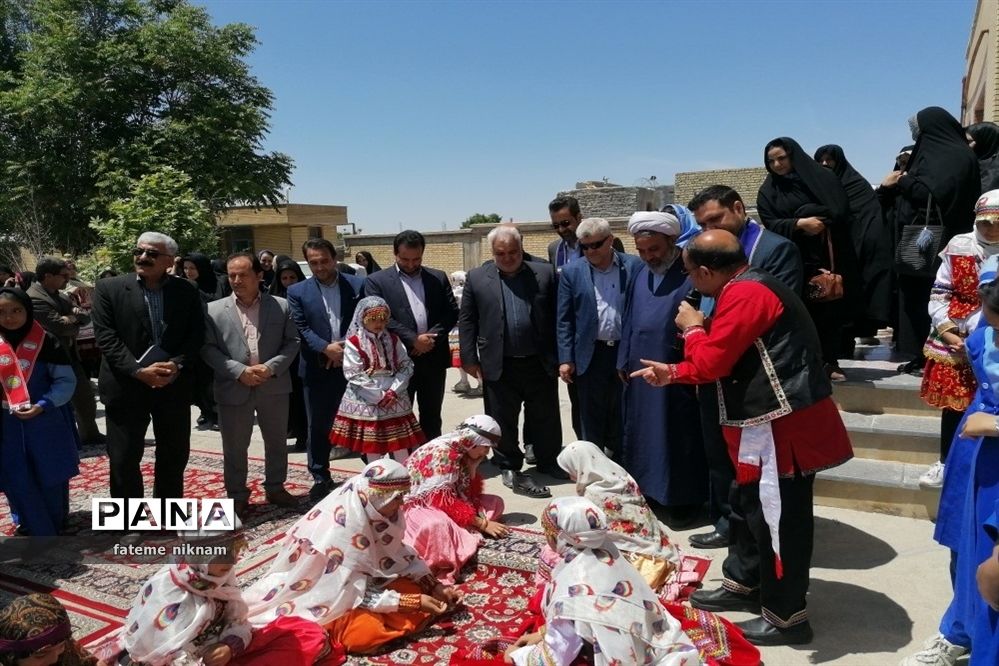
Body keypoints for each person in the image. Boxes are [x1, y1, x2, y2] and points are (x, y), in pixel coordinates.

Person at [631, 230, 853, 646]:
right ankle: (746, 581)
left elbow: (713, 360)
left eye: (690, 275)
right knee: (750, 508)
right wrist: (676, 370)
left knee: (779, 519)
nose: (690, 283)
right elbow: (719, 353)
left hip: (781, 431)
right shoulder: (742, 287)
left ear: (703, 270)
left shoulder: (747, 293)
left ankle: (788, 617)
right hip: (760, 428)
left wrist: (694, 329)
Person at [686, 185, 803, 551]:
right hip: (714, 367)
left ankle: (757, 540)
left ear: (738, 208)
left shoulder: (775, 250)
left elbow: (770, 316)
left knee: (756, 470)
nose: (709, 227)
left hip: (755, 382)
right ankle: (728, 523)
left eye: (715, 218)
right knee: (719, 455)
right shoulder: (708, 253)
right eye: (702, 223)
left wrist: (700, 331)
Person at [245, 460, 462, 655]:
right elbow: (346, 590)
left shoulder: (379, 513)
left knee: (416, 591)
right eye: (397, 498)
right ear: (377, 497)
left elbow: (401, 555)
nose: (402, 504)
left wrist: (434, 586)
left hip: (363, 583)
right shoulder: (341, 529)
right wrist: (410, 602)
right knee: (365, 633)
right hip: (328, 593)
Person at [902, 259, 999, 666]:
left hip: (989, 436)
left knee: (990, 556)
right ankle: (959, 631)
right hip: (977, 450)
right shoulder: (985, 330)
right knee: (965, 545)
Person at [504, 496, 701, 665]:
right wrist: (541, 634)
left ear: (563, 537)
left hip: (622, 656)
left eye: (548, 532)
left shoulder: (573, 582)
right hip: (646, 638)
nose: (546, 537)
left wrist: (518, 657)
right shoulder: (607, 550)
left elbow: (560, 652)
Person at [91, 232, 204, 507]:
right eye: (138, 251)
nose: (142, 257)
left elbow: (196, 335)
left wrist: (176, 364)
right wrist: (138, 371)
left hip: (171, 385)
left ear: (169, 261)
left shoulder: (186, 290)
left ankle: (168, 512)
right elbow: (106, 338)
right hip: (125, 385)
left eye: (152, 254)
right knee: (124, 457)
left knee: (174, 453)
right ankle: (129, 521)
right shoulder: (108, 288)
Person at [459, 225, 562, 499]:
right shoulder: (477, 278)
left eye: (513, 252)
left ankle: (548, 460)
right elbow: (467, 320)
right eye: (500, 253)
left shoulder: (544, 273)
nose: (507, 258)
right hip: (498, 362)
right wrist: (468, 358)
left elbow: (559, 317)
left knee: (545, 415)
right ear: (492, 252)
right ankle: (508, 464)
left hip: (539, 360)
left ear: (522, 247)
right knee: (502, 418)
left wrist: (563, 356)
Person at [878, 107, 980, 376]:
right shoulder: (944, 154)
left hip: (936, 241)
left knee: (933, 297)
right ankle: (921, 355)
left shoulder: (953, 157)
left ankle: (935, 356)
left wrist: (904, 180)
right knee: (915, 297)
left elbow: (933, 193)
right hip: (926, 240)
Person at [202, 252, 302, 520]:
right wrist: (238, 371)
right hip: (234, 386)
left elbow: (292, 342)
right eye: (232, 275)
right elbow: (208, 349)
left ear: (259, 275)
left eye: (243, 274)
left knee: (276, 441)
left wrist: (271, 367)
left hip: (273, 385)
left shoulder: (281, 306)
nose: (236, 280)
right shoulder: (213, 310)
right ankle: (236, 494)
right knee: (234, 445)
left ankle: (275, 487)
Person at [757, 136, 860, 382]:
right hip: (790, 261)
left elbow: (840, 210)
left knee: (827, 310)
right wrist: (798, 223)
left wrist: (820, 220)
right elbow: (769, 221)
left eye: (782, 158)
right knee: (794, 310)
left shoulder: (822, 179)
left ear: (793, 156)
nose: (777, 165)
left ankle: (828, 361)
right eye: (771, 161)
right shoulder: (769, 190)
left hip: (825, 257)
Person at [915, 190, 999, 491]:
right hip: (955, 337)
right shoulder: (959, 245)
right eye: (984, 221)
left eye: (996, 222)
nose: (989, 228)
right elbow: (941, 292)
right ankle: (945, 461)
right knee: (954, 407)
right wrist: (949, 331)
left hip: (994, 341)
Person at [547, 440, 688, 597]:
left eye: (569, 470)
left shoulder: (594, 493)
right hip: (659, 547)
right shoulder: (618, 474)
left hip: (644, 560)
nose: (570, 476)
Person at [556, 217, 641, 460]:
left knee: (623, 412)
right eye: (585, 246)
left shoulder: (634, 267)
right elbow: (564, 319)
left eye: (596, 244)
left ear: (610, 241)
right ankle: (592, 464)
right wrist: (566, 358)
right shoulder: (572, 272)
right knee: (590, 416)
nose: (591, 250)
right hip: (589, 355)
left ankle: (623, 466)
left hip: (625, 353)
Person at [286, 238, 364, 501]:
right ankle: (321, 476)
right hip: (317, 368)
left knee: (361, 422)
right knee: (318, 426)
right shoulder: (297, 291)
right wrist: (326, 349)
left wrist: (343, 349)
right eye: (313, 263)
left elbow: (366, 322)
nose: (320, 267)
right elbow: (302, 328)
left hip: (354, 366)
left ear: (334, 258)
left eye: (324, 261)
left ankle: (372, 471)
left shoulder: (357, 285)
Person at [363, 230, 460, 440]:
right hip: (396, 361)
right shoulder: (376, 281)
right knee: (397, 415)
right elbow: (380, 318)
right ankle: (400, 462)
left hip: (432, 358)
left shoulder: (437, 277)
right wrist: (413, 339)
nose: (410, 264)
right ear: (395, 254)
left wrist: (430, 338)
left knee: (431, 416)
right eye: (405, 259)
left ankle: (429, 459)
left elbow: (451, 312)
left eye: (416, 259)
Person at [0, 288, 79, 537]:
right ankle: (27, 521)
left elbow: (65, 381)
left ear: (27, 310)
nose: (9, 317)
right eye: (1, 312)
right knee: (15, 473)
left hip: (44, 417)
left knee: (50, 469)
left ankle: (56, 522)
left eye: (16, 310)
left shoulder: (47, 341)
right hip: (6, 423)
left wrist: (43, 404)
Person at [403, 415, 508, 584]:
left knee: (495, 503)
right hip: (420, 507)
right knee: (437, 526)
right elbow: (442, 501)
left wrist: (472, 468)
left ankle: (460, 530)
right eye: (485, 447)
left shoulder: (462, 450)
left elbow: (466, 491)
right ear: (473, 441)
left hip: (448, 500)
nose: (486, 453)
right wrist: (482, 524)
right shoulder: (443, 454)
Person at [328, 296, 425, 461]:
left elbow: (406, 365)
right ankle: (375, 478)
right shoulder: (354, 342)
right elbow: (353, 372)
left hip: (394, 396)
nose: (378, 323)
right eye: (372, 319)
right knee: (371, 443)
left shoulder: (393, 340)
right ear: (362, 319)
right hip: (366, 397)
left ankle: (401, 475)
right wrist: (378, 396)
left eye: (382, 319)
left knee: (399, 441)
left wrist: (394, 391)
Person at [814, 144, 894, 340]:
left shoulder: (855, 184)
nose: (825, 164)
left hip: (858, 247)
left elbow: (868, 215)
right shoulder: (818, 185)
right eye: (821, 160)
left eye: (829, 160)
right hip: (834, 251)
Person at [27, 256, 104, 446]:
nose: (67, 280)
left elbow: (85, 317)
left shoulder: (60, 295)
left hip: (69, 355)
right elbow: (59, 327)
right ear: (48, 276)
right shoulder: (35, 297)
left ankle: (89, 434)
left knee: (85, 397)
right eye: (63, 276)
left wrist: (72, 318)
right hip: (47, 359)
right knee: (56, 401)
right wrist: (72, 319)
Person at [547, 196, 584, 441]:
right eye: (556, 225)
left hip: (596, 332)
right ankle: (584, 446)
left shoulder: (599, 242)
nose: (562, 230)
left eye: (566, 223)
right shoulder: (554, 250)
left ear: (579, 218)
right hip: (568, 334)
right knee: (577, 398)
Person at [268, 256, 309, 450]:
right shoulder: (272, 298)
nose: (289, 282)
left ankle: (305, 436)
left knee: (303, 398)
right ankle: (292, 432)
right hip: (282, 358)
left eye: (293, 277)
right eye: (284, 278)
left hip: (303, 355)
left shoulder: (306, 295)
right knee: (288, 400)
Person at [0, 593, 103, 665]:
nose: (54, 659)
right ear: (11, 656)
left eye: (61, 646)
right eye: (41, 654)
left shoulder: (65, 652)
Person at [183, 252, 223, 431]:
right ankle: (206, 411)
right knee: (200, 379)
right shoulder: (185, 287)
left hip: (217, 337)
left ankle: (217, 413)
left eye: (193, 268)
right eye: (185, 268)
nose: (188, 272)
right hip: (195, 338)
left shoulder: (220, 283)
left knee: (215, 377)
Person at [448, 271, 482, 396]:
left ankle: (477, 383)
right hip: (460, 330)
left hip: (462, 331)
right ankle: (465, 382)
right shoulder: (469, 292)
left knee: (468, 358)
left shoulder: (458, 294)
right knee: (464, 358)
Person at [968, 122, 999, 194]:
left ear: (986, 140)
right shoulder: (976, 160)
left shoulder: (995, 168)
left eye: (970, 141)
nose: (968, 145)